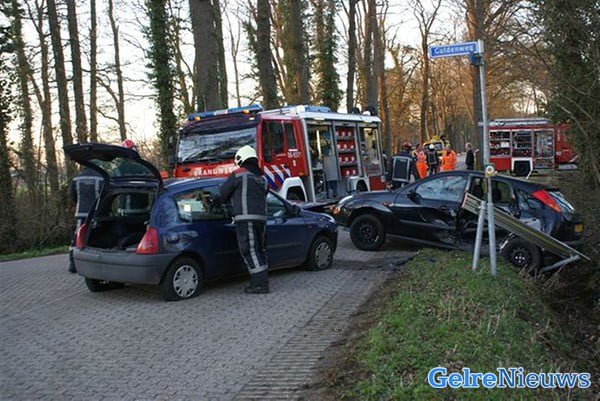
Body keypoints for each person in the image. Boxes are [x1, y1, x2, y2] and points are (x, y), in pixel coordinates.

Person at [220, 145, 270, 294]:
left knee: (250, 250)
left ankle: (260, 284)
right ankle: (260, 281)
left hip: (245, 218)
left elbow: (223, 193)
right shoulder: (262, 178)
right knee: (259, 250)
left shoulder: (238, 174)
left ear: (241, 159)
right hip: (262, 219)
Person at [68, 167, 104, 273]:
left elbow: (73, 197)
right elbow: (104, 195)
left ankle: (73, 264)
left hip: (81, 213)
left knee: (77, 237)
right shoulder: (100, 178)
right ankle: (97, 263)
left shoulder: (76, 179)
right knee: (97, 236)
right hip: (96, 214)